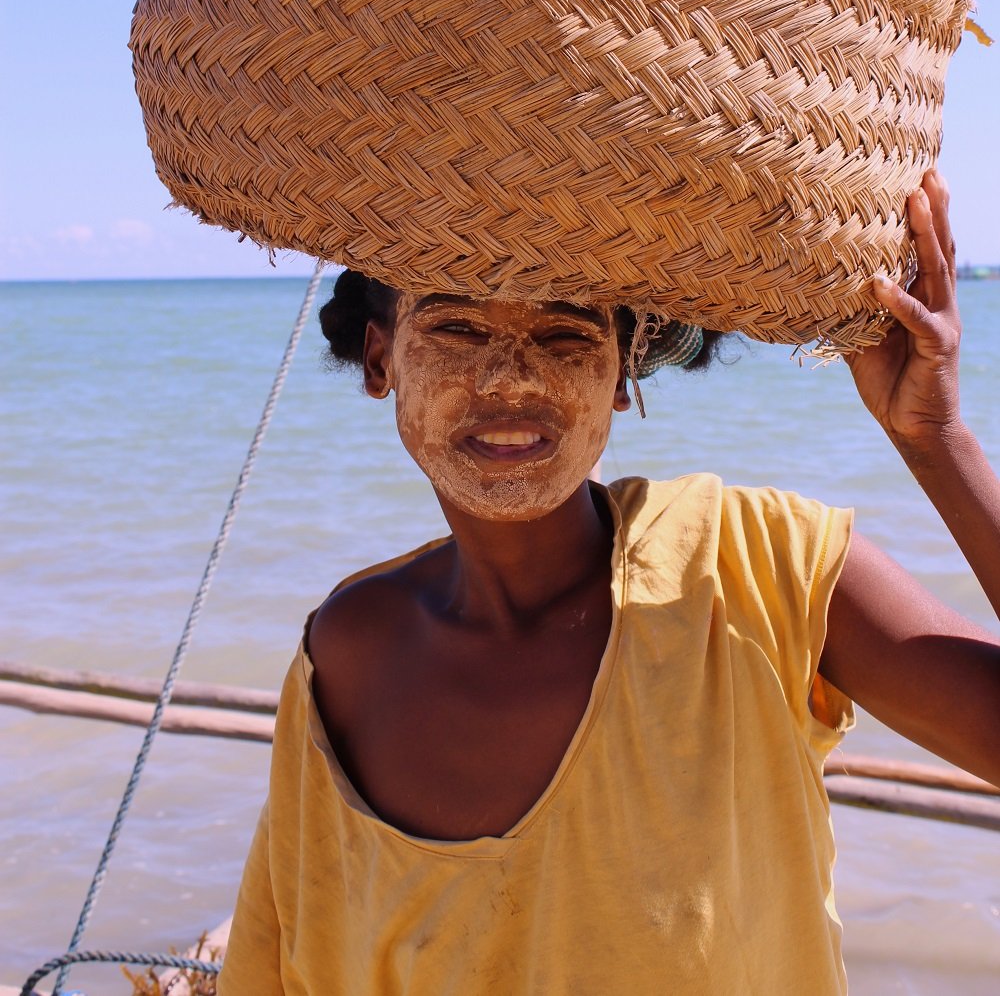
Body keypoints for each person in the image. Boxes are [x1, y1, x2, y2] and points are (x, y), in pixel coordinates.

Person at [218, 168, 999, 995]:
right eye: (455, 328)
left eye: (563, 336)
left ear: (623, 374)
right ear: (381, 359)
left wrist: (936, 438)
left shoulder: (749, 570)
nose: (509, 379)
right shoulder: (346, 652)